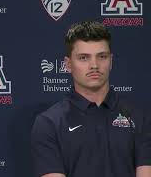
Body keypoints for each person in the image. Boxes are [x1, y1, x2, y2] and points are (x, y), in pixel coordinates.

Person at [31, 21, 151, 177]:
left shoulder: (140, 117)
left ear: (111, 61)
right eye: (83, 58)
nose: (94, 65)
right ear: (68, 64)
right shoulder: (49, 123)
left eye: (102, 56)